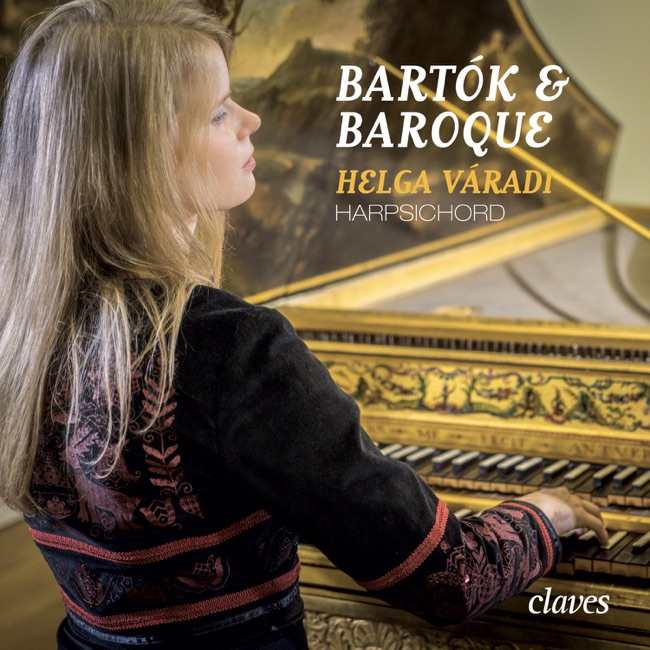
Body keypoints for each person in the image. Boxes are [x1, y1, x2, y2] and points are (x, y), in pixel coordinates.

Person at [0, 1, 607, 649]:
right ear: (143, 156)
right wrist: (545, 514)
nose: (253, 120)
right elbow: (450, 580)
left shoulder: (23, 320)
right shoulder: (229, 346)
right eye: (220, 112)